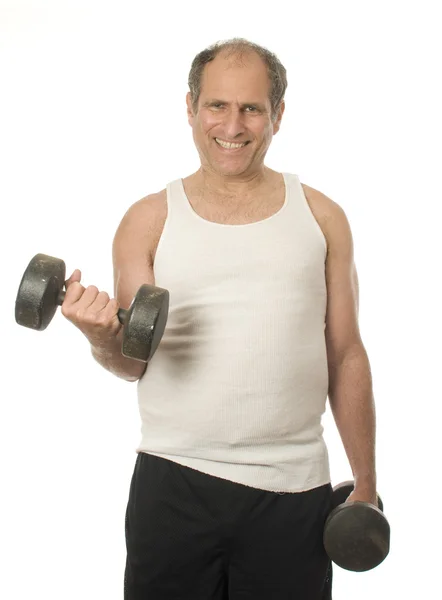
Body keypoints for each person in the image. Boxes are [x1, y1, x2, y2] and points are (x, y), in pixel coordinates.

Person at [61, 38, 377, 599]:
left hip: (293, 490)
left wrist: (367, 484)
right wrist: (100, 337)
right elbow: (134, 360)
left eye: (252, 108)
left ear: (278, 114)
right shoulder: (148, 220)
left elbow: (345, 352)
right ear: (190, 108)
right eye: (217, 105)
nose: (233, 125)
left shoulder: (322, 217)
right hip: (174, 483)